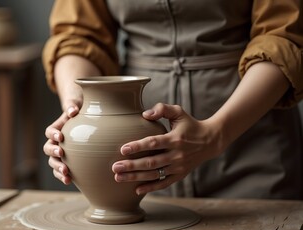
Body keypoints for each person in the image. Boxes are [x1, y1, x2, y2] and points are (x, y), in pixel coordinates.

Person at [42, 0, 303, 199]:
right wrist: (76, 109)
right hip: (134, 164)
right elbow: (78, 36)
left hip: (252, 144)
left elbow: (282, 35)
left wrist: (216, 135)